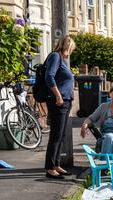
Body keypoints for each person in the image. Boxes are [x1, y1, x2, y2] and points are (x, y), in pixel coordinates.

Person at [44, 35, 76, 179]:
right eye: (71, 49)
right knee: (56, 135)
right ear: (67, 47)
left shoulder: (61, 60)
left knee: (61, 135)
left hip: (64, 101)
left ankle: (56, 164)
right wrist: (58, 95)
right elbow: (49, 76)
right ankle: (50, 168)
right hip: (58, 102)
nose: (71, 53)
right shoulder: (55, 57)